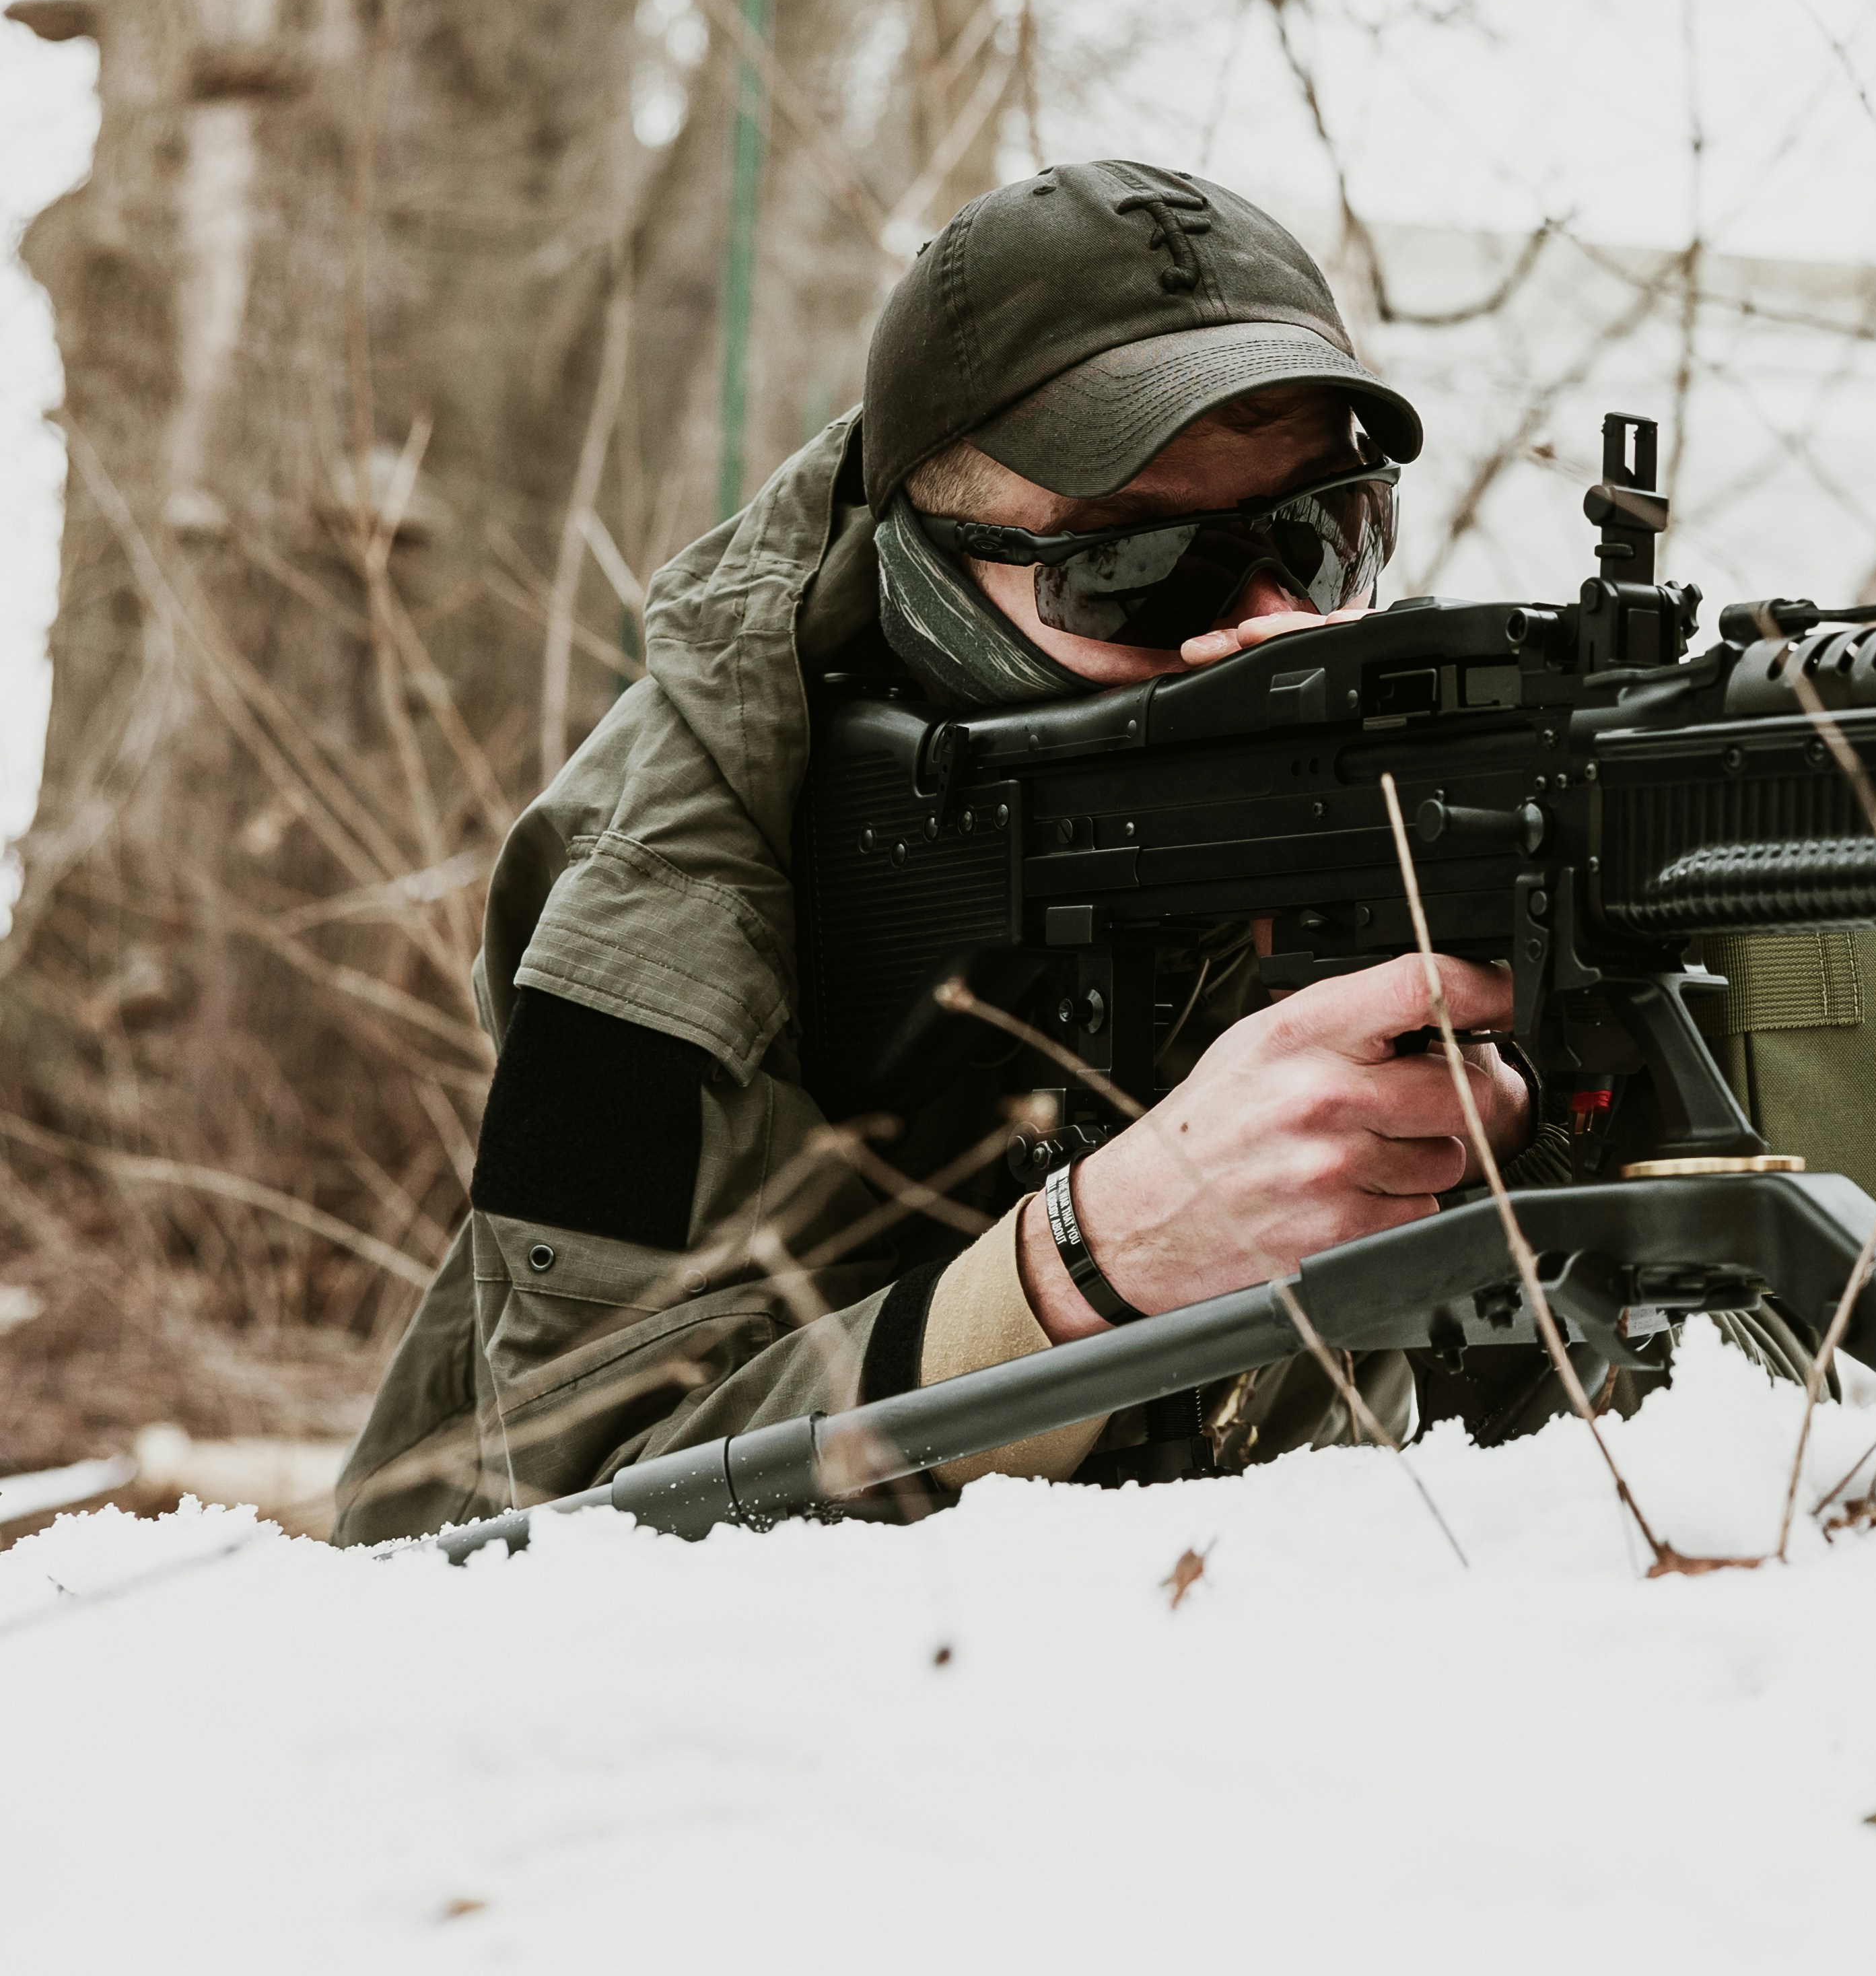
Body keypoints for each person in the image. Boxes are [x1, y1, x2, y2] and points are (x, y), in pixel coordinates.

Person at [333, 163, 1531, 1542]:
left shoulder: (1414, 780)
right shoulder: (669, 879)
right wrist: (1089, 1260)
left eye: (1322, 540)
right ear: (927, 580)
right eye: (1140, 572)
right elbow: (578, 1511)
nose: (1268, 627)